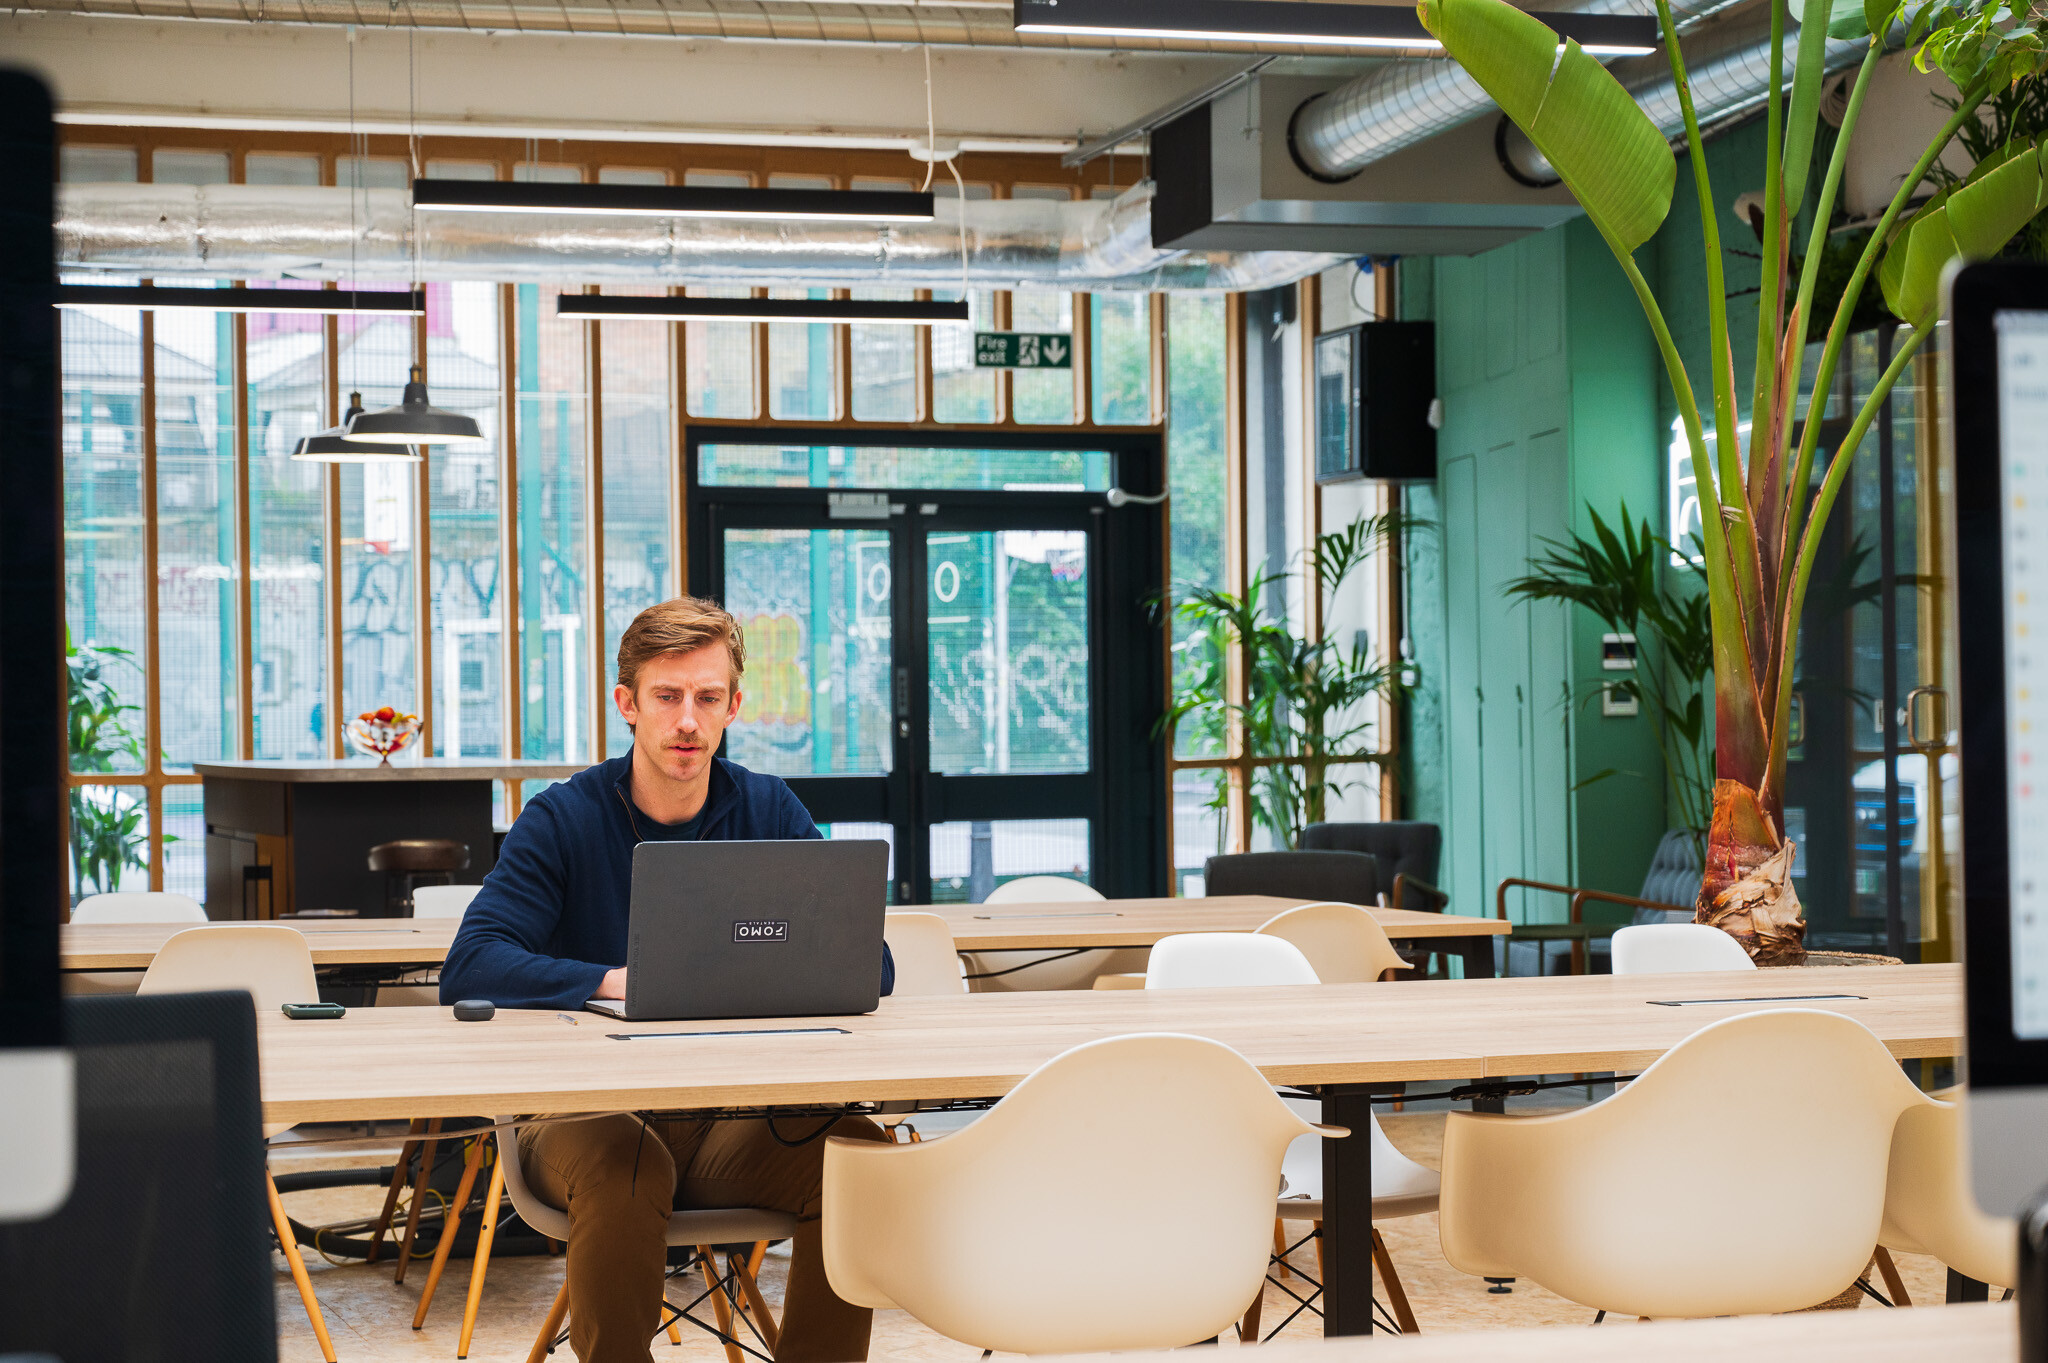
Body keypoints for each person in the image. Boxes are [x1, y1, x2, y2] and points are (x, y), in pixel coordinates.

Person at [441, 596, 894, 1363]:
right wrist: (618, 979)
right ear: (628, 703)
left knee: (856, 1152)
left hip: (729, 1117)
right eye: (668, 696)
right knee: (628, 1161)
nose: (689, 719)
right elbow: (471, 962)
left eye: (708, 697)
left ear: (734, 706)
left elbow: (866, 963)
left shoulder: (766, 807)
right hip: (580, 1117)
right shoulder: (563, 819)